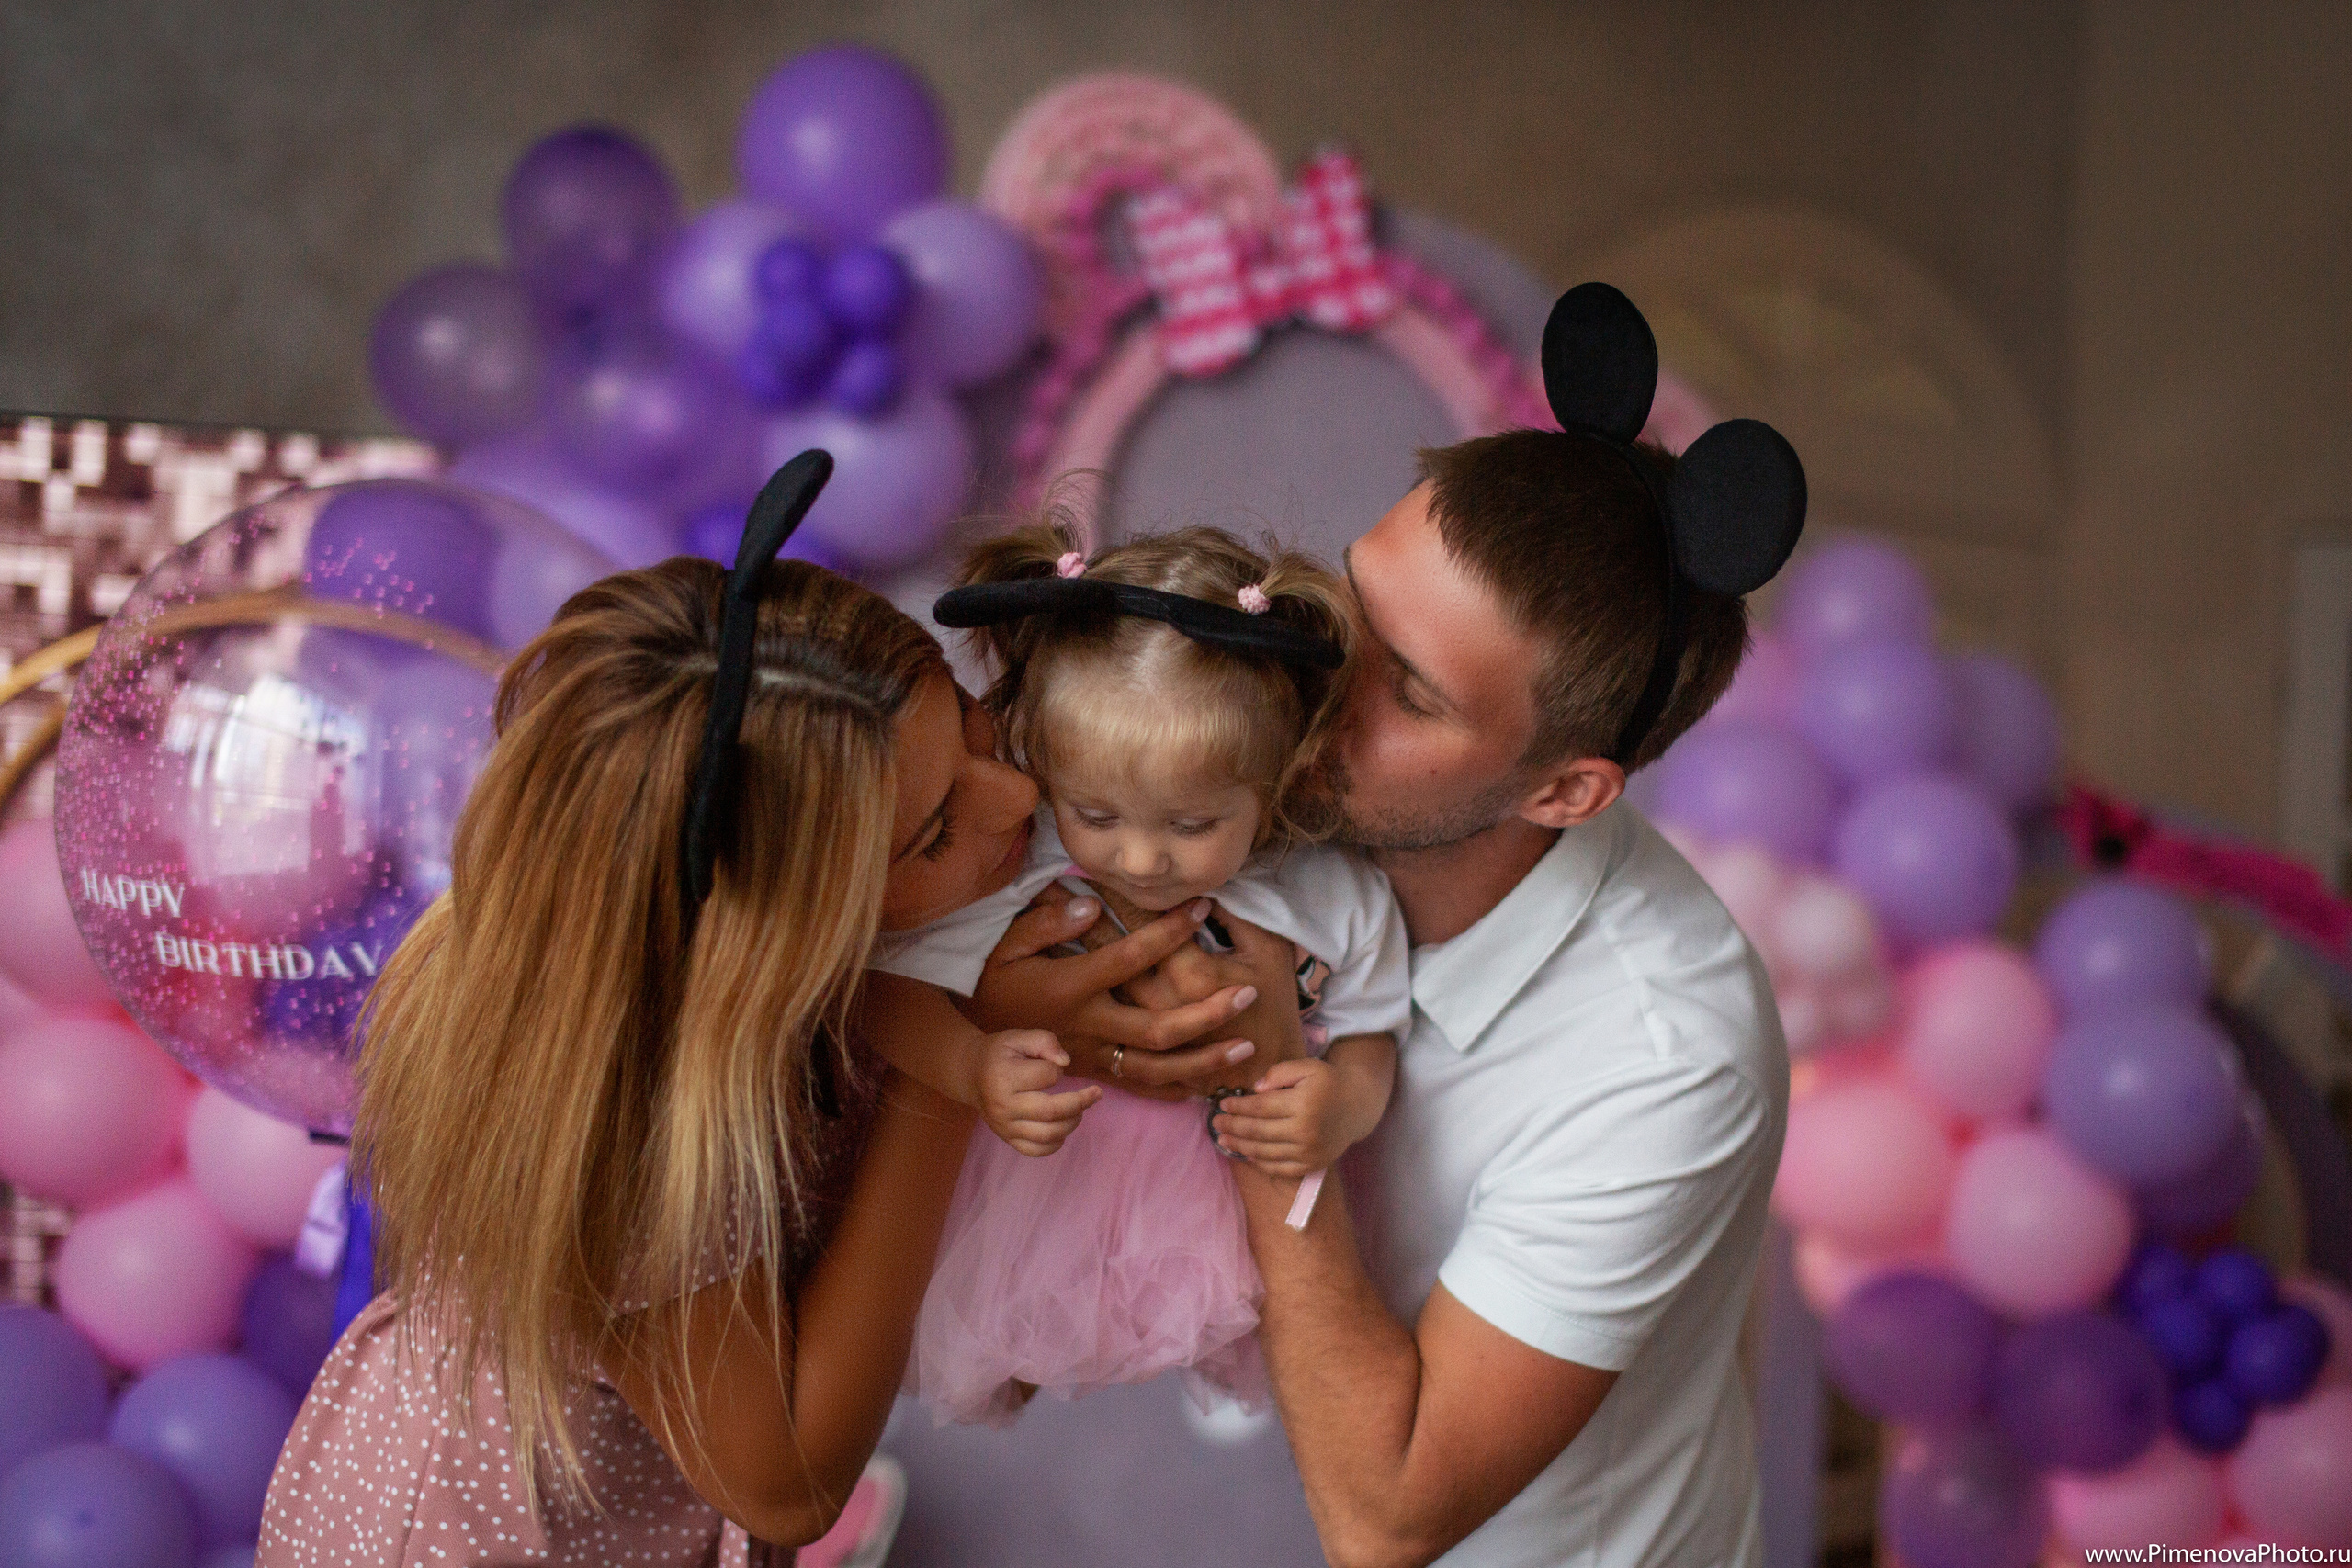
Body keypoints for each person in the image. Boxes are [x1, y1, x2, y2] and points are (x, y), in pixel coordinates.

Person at [964, 285, 1804, 1568]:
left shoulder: (1666, 1053)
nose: (1314, 675)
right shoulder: (1297, 798)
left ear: (1562, 789)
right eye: (1353, 600)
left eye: (1405, 687)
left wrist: (1266, 1076)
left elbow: (1388, 1506)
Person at [257, 461, 1063, 1565]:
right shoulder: (626, 1126)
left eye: (972, 726)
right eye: (932, 834)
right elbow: (785, 1481)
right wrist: (947, 1067)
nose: (1014, 794)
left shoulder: (664, 966)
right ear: (777, 928)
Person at [864, 522, 1409, 1427]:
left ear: (1274, 781)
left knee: (1232, 1334)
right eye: (1096, 813)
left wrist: (1343, 1105)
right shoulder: (1029, 868)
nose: (1143, 857)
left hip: (1220, 1194)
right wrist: (971, 1067)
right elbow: (888, 994)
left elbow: (1374, 1029)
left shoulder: (1327, 894)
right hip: (1051, 1180)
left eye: (1193, 826)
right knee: (1022, 1329)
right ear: (1046, 761)